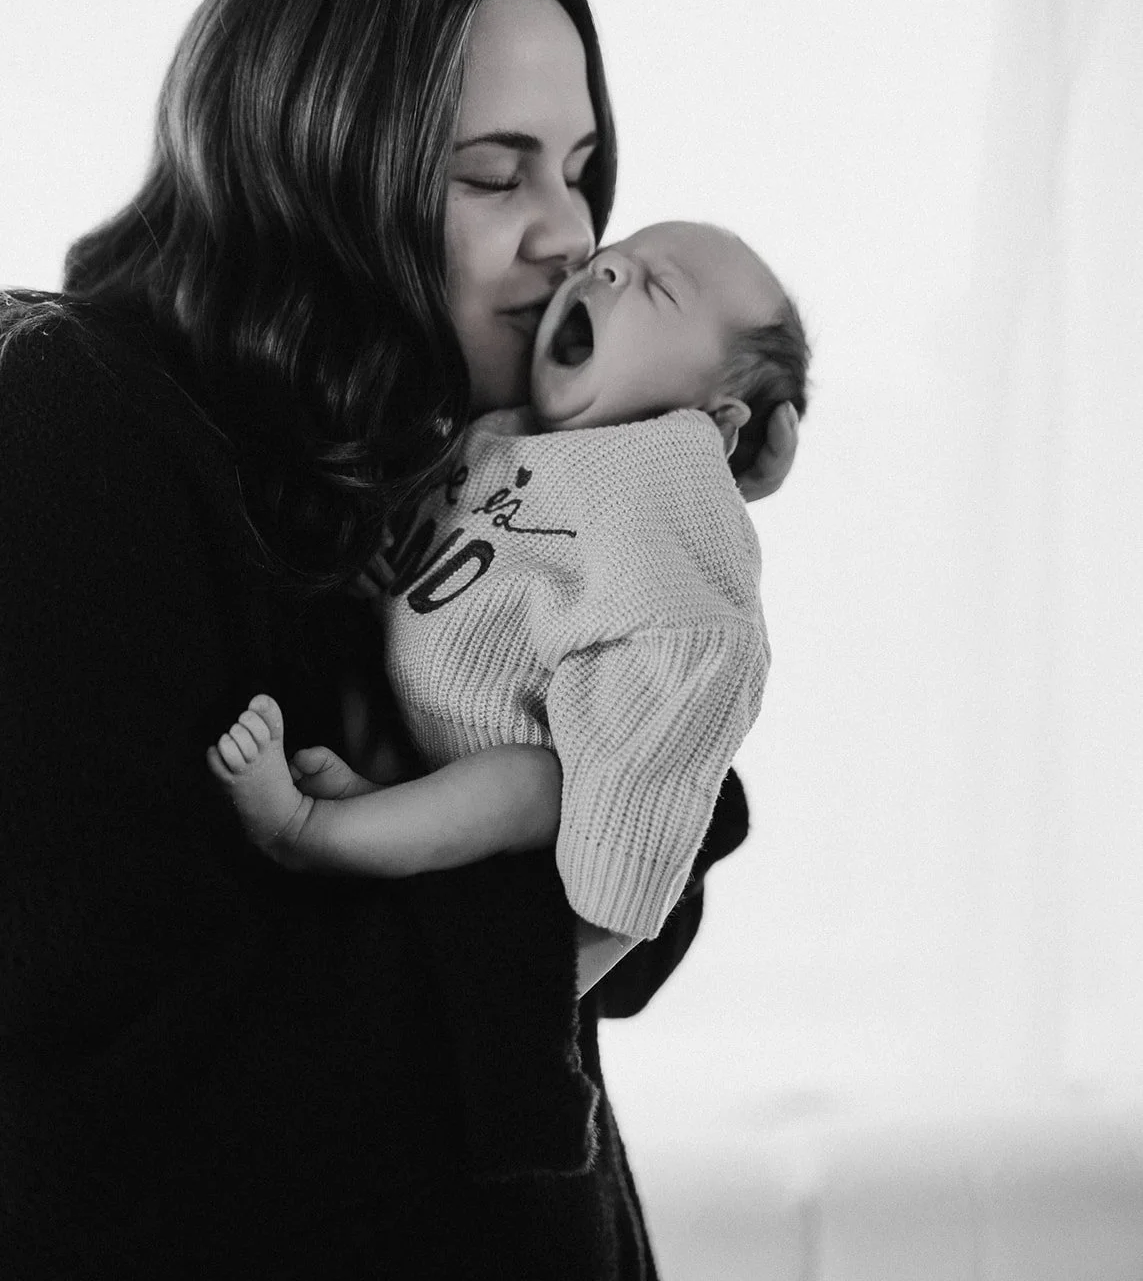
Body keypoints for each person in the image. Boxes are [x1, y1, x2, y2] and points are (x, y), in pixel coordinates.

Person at [0, 0, 799, 1281]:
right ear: (311, 165)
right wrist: (577, 835)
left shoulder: (402, 451)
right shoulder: (64, 423)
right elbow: (119, 1069)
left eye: (581, 169)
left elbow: (611, 967)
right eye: (494, 175)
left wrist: (646, 628)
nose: (570, 234)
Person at [209, 221, 810, 988]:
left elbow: (686, 616)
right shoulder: (503, 427)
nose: (607, 272)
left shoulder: (664, 490)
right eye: (610, 261)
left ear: (716, 423)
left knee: (526, 782)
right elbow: (450, 519)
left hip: (512, 776)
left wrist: (589, 945)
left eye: (659, 287)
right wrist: (380, 550)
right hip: (409, 731)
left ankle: (308, 829)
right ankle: (378, 811)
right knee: (354, 675)